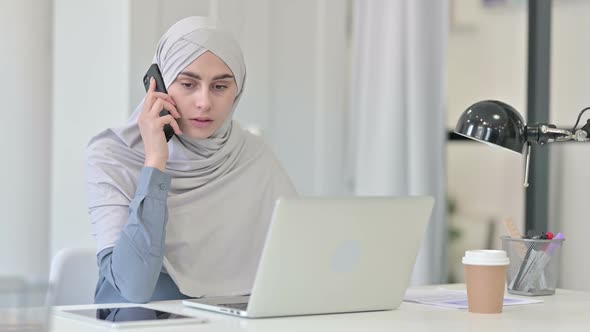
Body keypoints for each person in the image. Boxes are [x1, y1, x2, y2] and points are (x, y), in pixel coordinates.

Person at [84, 16, 296, 304]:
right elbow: (134, 288)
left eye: (220, 87)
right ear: (157, 85)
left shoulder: (253, 154)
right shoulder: (113, 154)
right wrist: (156, 162)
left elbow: (295, 264)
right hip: (137, 318)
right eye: (187, 83)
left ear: (238, 91)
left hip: (226, 318)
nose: (204, 102)